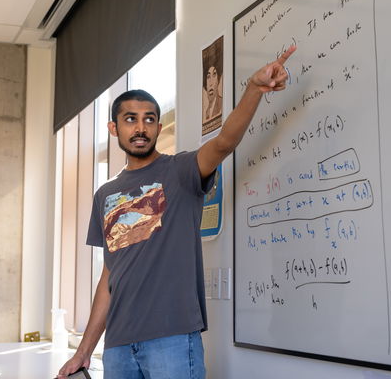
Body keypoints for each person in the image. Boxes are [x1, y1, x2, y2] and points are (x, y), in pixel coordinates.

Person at [57, 45, 296, 379]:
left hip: (171, 340)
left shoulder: (181, 171)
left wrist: (254, 89)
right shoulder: (104, 195)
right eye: (130, 120)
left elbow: (225, 142)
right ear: (114, 129)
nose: (140, 128)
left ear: (157, 127)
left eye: (149, 120)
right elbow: (109, 278)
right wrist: (84, 352)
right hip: (118, 347)